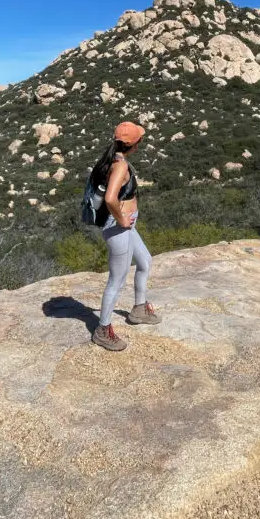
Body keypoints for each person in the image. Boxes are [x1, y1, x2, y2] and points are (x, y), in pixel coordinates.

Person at [91, 121, 160, 351]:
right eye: (139, 139)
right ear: (133, 144)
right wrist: (122, 219)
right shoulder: (120, 166)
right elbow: (111, 198)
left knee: (145, 261)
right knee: (116, 280)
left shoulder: (114, 159)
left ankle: (139, 309)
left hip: (126, 227)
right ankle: (102, 329)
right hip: (119, 228)